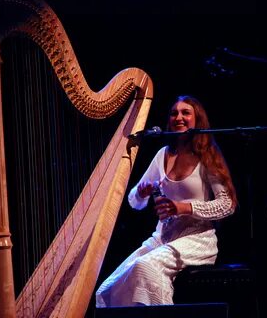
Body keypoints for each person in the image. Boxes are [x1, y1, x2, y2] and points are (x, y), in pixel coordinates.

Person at [95, 95, 238, 307]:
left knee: (145, 267)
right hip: (162, 239)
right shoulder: (163, 154)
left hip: (197, 240)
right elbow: (133, 201)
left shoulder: (207, 155)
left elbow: (227, 204)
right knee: (106, 290)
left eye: (185, 113)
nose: (178, 117)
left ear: (197, 120)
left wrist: (183, 207)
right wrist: (142, 193)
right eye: (174, 113)